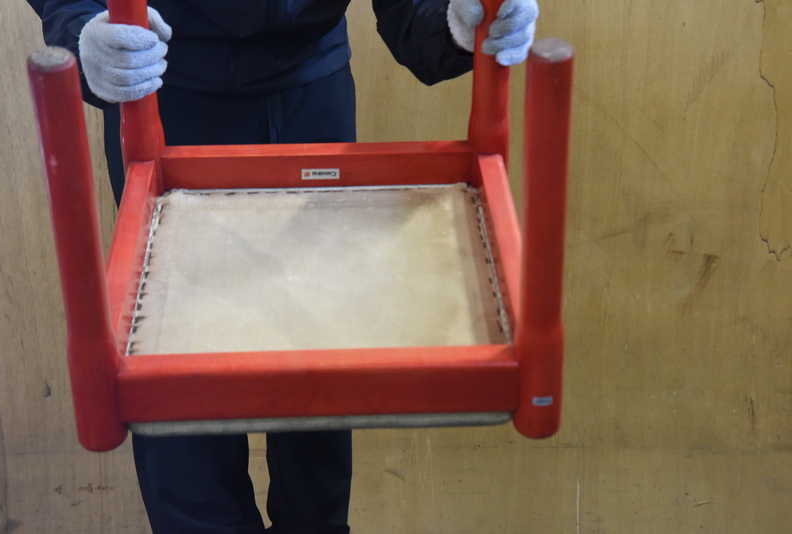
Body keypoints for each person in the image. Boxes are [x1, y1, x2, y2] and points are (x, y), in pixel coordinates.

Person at [29, 0, 538, 532]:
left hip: (309, 95)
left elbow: (413, 11)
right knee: (176, 393)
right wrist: (81, 27)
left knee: (319, 382)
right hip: (163, 91)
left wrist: (454, 20)